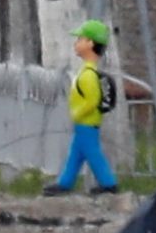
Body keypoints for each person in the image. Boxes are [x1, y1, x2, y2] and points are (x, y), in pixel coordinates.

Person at [51, 19, 120, 194]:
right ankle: (65, 183)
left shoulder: (88, 75)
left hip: (86, 122)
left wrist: (77, 113)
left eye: (80, 39)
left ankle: (108, 183)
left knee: (92, 153)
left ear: (90, 43)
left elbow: (93, 100)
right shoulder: (87, 72)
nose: (76, 43)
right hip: (85, 123)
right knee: (76, 154)